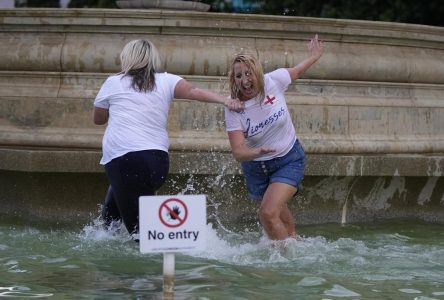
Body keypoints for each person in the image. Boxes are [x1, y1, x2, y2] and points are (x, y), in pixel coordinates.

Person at [93, 39, 244, 240]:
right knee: (110, 221)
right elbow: (194, 92)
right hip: (157, 162)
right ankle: (107, 244)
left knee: (141, 236)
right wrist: (225, 100)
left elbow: (98, 119)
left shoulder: (113, 82)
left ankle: (145, 267)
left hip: (125, 161)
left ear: (126, 59)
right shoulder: (166, 80)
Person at [224, 34, 324, 241]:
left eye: (248, 73)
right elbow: (238, 152)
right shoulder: (234, 108)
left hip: (288, 158)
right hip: (256, 168)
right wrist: (257, 151)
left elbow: (297, 71)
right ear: (233, 79)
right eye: (239, 76)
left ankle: (283, 260)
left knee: (267, 213)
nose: (245, 80)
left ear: (257, 72)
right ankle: (296, 246)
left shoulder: (274, 81)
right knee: (277, 214)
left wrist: (314, 56)